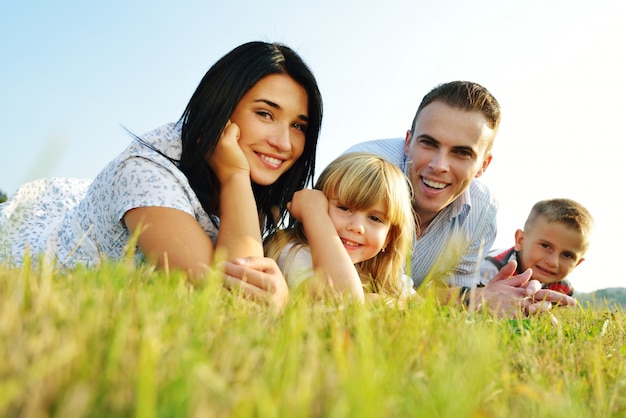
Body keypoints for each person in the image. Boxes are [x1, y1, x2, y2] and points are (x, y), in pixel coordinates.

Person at [0, 41, 324, 309]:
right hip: (40, 261)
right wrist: (235, 176)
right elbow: (233, 303)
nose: (283, 143)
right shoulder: (147, 172)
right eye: (265, 114)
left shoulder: (258, 183)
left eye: (298, 126)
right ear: (221, 108)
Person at [344, 80, 576, 316]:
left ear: (483, 166)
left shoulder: (482, 211)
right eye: (428, 143)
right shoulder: (361, 169)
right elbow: (325, 276)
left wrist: (481, 299)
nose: (439, 166)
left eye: (462, 153)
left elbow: (443, 293)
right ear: (408, 142)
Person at [264, 152, 416, 302]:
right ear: (317, 205)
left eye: (375, 218)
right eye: (344, 208)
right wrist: (314, 215)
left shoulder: (384, 275)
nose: (357, 227)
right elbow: (345, 298)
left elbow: (420, 309)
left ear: (389, 237)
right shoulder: (295, 254)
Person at [480, 198, 594, 297]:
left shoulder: (562, 289)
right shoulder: (491, 269)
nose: (553, 262)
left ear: (577, 264)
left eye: (567, 255)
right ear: (521, 241)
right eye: (545, 246)